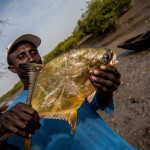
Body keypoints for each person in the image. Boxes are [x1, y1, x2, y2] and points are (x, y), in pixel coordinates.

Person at [0, 33, 135, 150]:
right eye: (21, 56)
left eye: (33, 52)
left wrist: (106, 90)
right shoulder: (12, 115)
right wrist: (1, 127)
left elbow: (99, 103)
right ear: (12, 68)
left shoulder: (67, 76)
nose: (30, 58)